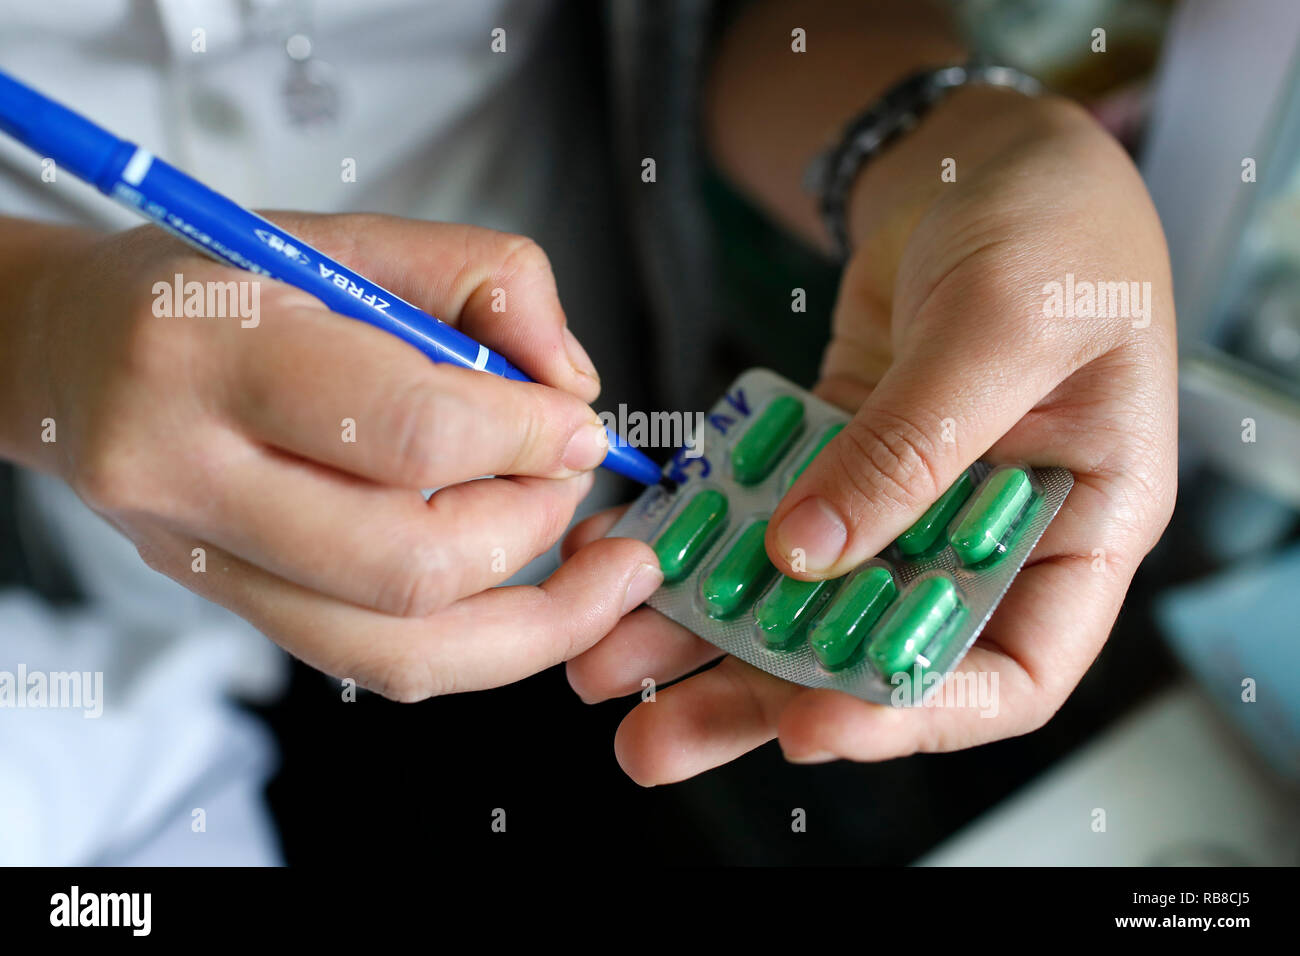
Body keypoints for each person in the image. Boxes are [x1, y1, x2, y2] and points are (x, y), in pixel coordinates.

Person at [0, 0, 1175, 860]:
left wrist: (959, 139)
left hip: (597, 583)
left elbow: (738, 24)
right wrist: (33, 332)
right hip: (98, 637)